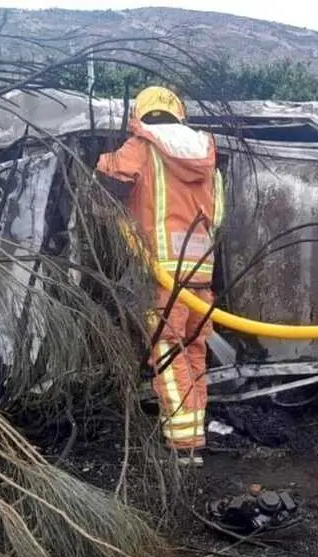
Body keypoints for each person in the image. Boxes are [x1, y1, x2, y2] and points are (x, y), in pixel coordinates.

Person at [97, 86, 225, 466]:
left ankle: (184, 444)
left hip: (164, 274)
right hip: (202, 272)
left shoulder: (143, 145)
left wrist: (100, 158)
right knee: (195, 350)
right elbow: (218, 213)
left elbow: (110, 174)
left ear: (142, 114)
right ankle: (195, 429)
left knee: (167, 353)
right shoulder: (206, 152)